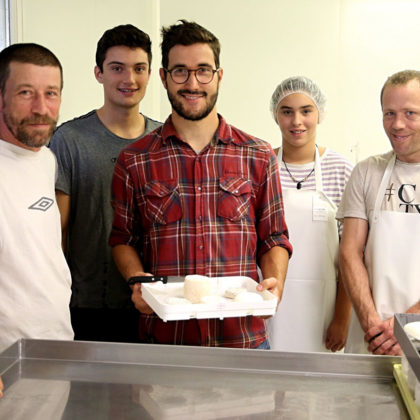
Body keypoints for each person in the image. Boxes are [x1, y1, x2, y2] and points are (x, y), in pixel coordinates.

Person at [109, 20, 292, 348]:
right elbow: (123, 239)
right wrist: (138, 280)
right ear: (163, 77)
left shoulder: (258, 155)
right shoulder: (134, 160)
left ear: (219, 76)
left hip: (243, 341)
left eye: (203, 71)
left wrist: (275, 281)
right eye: (180, 71)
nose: (192, 83)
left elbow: (274, 237)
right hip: (167, 342)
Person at [49, 25, 161, 343]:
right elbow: (56, 230)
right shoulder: (69, 140)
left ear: (150, 74)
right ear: (99, 73)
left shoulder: (163, 141)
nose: (129, 79)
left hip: (154, 304)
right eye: (117, 68)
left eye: (139, 68)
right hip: (86, 307)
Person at [266, 76, 353, 352]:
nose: (297, 121)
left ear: (319, 114)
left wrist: (342, 318)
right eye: (287, 111)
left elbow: (352, 253)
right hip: (269, 306)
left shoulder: (341, 169)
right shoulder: (262, 165)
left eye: (306, 111)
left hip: (323, 309)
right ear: (276, 115)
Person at [338, 70, 420, 355]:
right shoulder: (366, 172)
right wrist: (373, 325)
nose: (397, 124)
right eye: (389, 114)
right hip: (370, 337)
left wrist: (407, 325)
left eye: (410, 113)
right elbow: (349, 252)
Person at [0, 43, 73, 353]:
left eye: (51, 93)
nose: (41, 108)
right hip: (7, 357)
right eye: (26, 93)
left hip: (57, 344)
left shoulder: (46, 159)